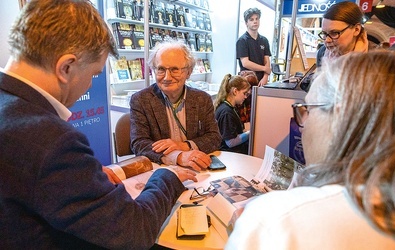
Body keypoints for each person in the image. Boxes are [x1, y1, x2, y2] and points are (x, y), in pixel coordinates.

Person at [0, 0, 199, 249]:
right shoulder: (53, 141)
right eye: (94, 74)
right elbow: (133, 231)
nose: (90, 85)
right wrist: (166, 177)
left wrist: (82, 178)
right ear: (66, 67)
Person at [225, 51, 395, 249]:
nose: (303, 126)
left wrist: (248, 230)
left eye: (307, 109)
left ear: (339, 117)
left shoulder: (277, 223)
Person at [130, 41, 221, 171]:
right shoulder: (141, 100)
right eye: (161, 69)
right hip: (160, 171)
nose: (167, 77)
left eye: (174, 70)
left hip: (198, 169)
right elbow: (139, 144)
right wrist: (178, 157)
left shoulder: (202, 99)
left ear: (188, 72)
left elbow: (214, 137)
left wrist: (183, 146)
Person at [316, 1, 368, 68]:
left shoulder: (375, 57)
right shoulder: (322, 52)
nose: (327, 40)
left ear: (356, 29)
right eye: (324, 33)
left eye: (334, 33)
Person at [214, 74, 251, 154]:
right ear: (235, 91)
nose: (245, 97)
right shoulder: (226, 112)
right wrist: (250, 133)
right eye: (244, 93)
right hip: (229, 154)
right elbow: (230, 142)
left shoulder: (229, 107)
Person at [236, 7, 272, 86]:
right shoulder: (242, 40)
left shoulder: (264, 40)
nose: (255, 22)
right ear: (246, 23)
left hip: (262, 81)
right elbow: (245, 63)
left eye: (257, 19)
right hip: (246, 81)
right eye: (251, 20)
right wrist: (264, 68)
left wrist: (265, 77)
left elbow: (266, 60)